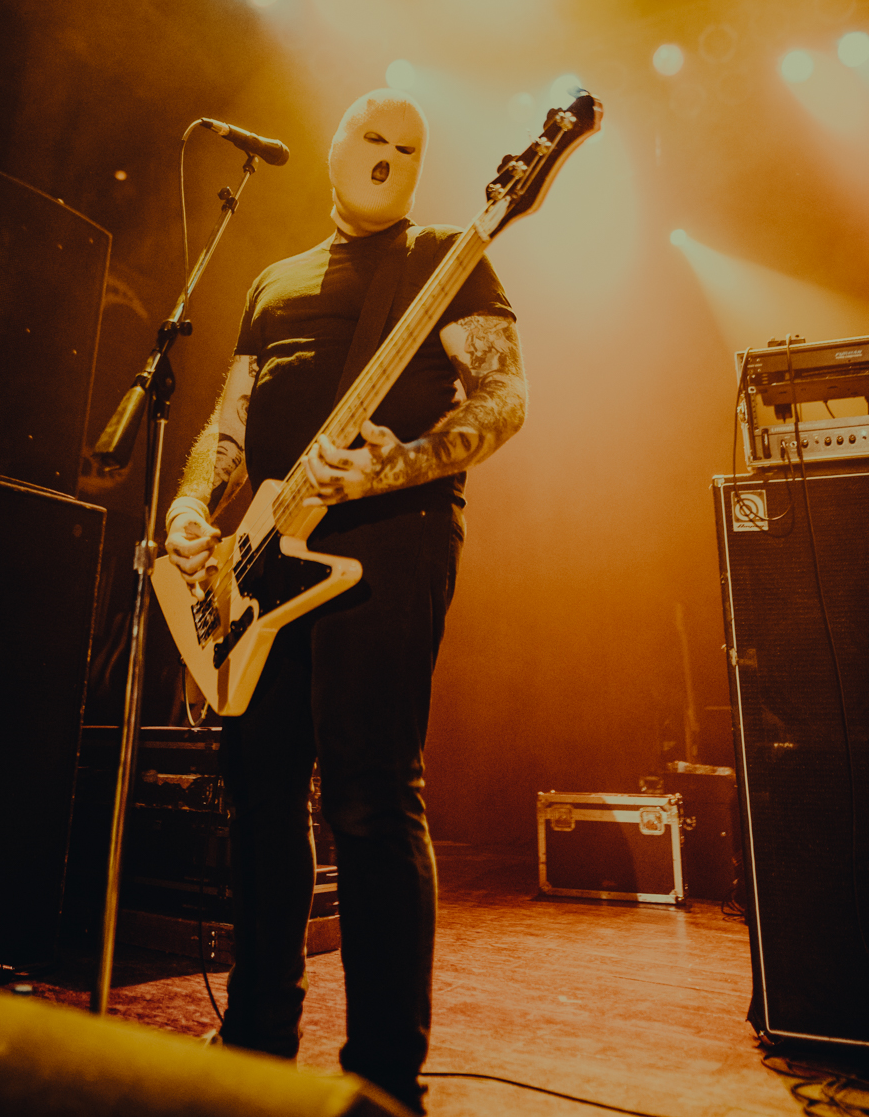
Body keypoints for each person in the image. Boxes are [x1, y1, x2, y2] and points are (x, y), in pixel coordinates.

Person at [164, 89, 526, 1113]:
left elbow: (504, 398)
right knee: (261, 792)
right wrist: (193, 506)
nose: (386, 154)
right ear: (332, 145)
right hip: (262, 560)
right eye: (371, 135)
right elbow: (232, 420)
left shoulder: (448, 256)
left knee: (370, 793)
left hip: (390, 539)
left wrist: (391, 466)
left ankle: (382, 1074)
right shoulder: (273, 281)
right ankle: (255, 1039)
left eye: (407, 147)